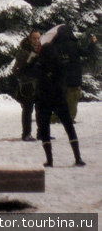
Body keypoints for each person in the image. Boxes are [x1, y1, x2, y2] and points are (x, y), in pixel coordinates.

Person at [35, 26, 85, 167]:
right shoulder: (59, 65)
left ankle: (49, 160)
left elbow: (31, 74)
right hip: (59, 98)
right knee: (69, 126)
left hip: (43, 100)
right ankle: (77, 157)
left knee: (44, 129)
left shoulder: (39, 66)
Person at [52, 25, 97, 121]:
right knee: (72, 98)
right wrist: (92, 43)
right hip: (74, 76)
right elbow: (87, 52)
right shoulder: (74, 45)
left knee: (60, 98)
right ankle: (70, 117)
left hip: (59, 77)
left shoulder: (55, 46)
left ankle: (56, 117)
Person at [12, 29, 41, 141]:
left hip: (38, 83)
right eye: (34, 38)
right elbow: (17, 70)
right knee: (28, 110)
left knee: (40, 109)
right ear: (29, 38)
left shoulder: (40, 50)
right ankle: (26, 134)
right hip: (27, 84)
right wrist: (29, 64)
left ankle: (42, 132)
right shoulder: (23, 52)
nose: (36, 40)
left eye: (38, 38)